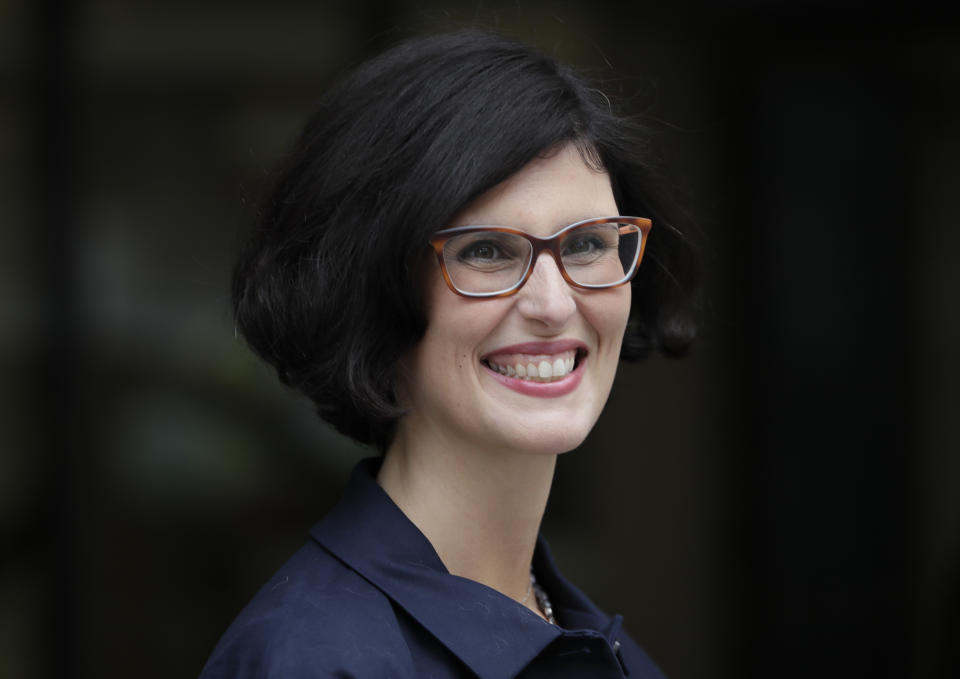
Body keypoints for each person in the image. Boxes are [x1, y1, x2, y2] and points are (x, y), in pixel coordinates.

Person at [200, 29, 697, 679]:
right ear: (371, 289)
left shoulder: (612, 657)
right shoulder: (312, 660)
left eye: (587, 243)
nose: (553, 302)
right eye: (486, 250)